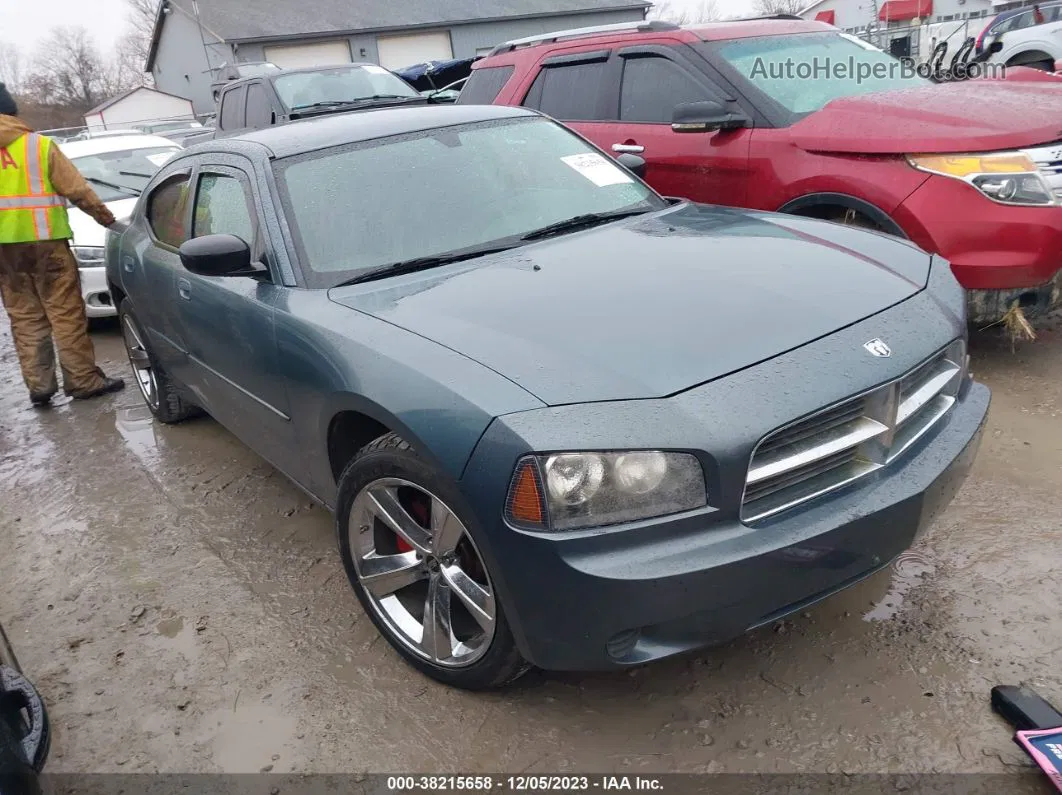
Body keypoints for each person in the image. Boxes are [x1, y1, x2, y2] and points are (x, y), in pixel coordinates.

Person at [0, 82, 125, 406]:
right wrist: (107, 220)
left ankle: (40, 386)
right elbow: (78, 189)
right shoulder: (37, 146)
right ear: (12, 112)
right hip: (47, 245)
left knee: (25, 317)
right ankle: (83, 381)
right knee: (65, 314)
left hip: (4, 252)